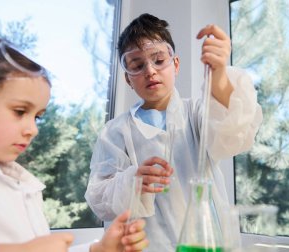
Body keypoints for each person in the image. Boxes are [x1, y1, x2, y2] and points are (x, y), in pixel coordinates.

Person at [84, 13, 263, 251]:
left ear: (175, 64)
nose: (150, 71)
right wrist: (133, 181)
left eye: (159, 60)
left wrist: (218, 76)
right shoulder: (115, 132)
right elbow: (99, 200)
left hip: (206, 244)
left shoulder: (198, 113)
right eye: (137, 65)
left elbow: (234, 135)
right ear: (128, 79)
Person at [0, 36, 149, 252]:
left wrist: (98, 249)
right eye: (19, 111)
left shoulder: (24, 184)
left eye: (37, 116)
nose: (33, 129)